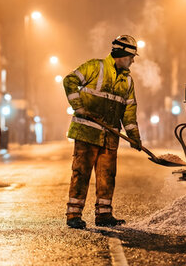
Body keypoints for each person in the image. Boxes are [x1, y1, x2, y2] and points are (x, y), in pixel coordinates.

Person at [62, 35, 142, 229]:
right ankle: (73, 214)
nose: (132, 61)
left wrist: (135, 137)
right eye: (131, 57)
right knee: (81, 173)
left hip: (110, 137)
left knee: (107, 175)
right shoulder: (94, 67)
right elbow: (69, 81)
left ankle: (104, 215)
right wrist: (78, 106)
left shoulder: (128, 82)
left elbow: (129, 113)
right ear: (122, 55)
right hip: (87, 133)